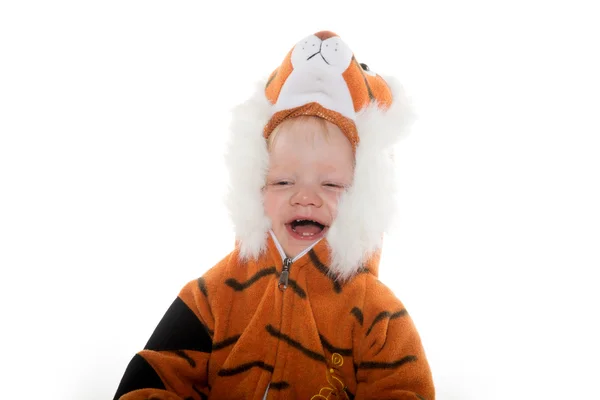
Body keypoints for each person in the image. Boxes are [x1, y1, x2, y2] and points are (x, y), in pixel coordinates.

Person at [113, 30, 435, 400]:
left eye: (330, 185)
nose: (305, 198)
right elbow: (153, 374)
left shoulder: (379, 317)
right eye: (283, 181)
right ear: (255, 188)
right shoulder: (214, 294)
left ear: (364, 198)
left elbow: (405, 391)